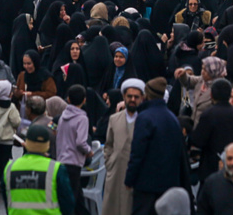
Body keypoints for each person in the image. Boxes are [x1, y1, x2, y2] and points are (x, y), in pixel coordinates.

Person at [125, 78, 187, 215]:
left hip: (146, 184)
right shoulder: (172, 118)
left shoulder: (144, 117)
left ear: (146, 95)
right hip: (169, 183)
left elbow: (138, 152)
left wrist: (130, 178)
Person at [6, 124, 74, 215]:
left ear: (26, 143)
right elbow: (68, 203)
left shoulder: (10, 168)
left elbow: (6, 199)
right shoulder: (57, 168)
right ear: (47, 145)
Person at [102, 79, 144, 215]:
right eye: (129, 96)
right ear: (124, 97)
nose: (132, 100)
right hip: (115, 172)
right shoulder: (114, 119)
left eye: (136, 97)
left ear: (142, 98)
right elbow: (109, 144)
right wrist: (110, 162)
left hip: (136, 173)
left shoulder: (145, 120)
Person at [57, 85, 94, 215]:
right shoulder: (82, 118)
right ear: (84, 100)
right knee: (72, 199)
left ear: (68, 99)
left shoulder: (63, 116)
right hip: (74, 162)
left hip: (61, 160)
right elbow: (80, 142)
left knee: (77, 199)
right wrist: (89, 151)